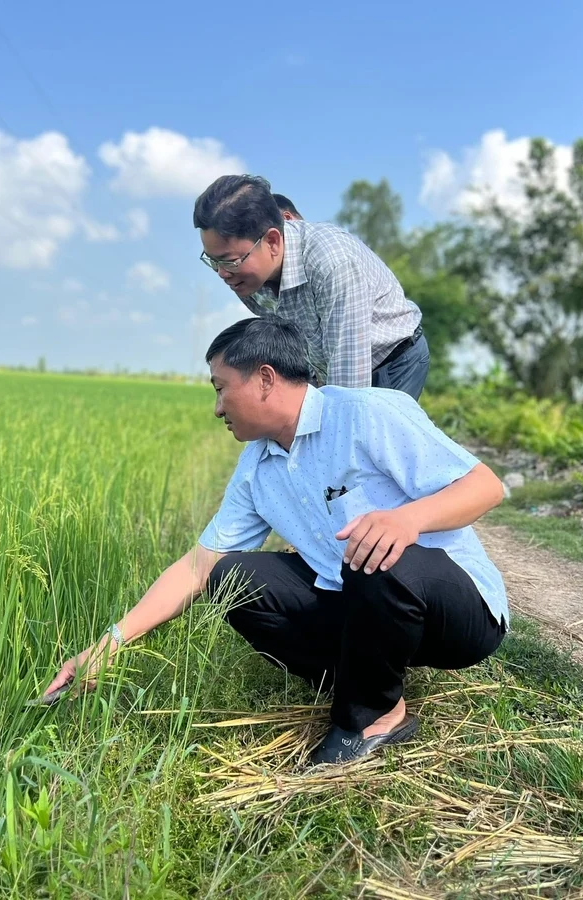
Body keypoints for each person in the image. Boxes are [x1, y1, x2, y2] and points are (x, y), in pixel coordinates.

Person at [41, 317, 509, 766]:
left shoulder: (366, 413)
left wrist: (408, 519)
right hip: (365, 609)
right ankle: (365, 681)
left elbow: (485, 486)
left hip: (456, 610)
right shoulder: (257, 466)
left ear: (265, 379)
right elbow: (196, 568)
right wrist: (106, 646)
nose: (217, 408)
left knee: (373, 549)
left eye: (221, 388)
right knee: (230, 576)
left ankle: (373, 717)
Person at [195, 175, 431, 400]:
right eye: (213, 261)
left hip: (391, 360)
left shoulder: (332, 263)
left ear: (272, 241)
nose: (222, 272)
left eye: (229, 261)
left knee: (368, 438)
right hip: (330, 366)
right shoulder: (248, 276)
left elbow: (349, 387)